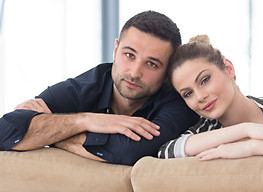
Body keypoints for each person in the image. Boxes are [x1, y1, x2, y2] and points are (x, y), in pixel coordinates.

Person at [0, 11, 199, 165]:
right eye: (129, 55)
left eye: (152, 64)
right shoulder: (87, 86)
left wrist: (54, 136)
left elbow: (129, 152)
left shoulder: (180, 102)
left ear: (167, 72)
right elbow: (6, 131)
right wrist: (85, 120)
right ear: (115, 49)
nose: (134, 72)